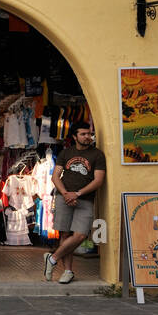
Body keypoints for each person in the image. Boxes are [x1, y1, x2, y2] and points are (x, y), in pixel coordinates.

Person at [44, 122, 106, 285]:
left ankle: (52, 258)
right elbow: (55, 176)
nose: (88, 137)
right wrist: (65, 194)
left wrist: (77, 194)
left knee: (80, 235)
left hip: (84, 199)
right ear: (74, 136)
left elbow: (98, 180)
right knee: (64, 234)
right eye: (83, 134)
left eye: (89, 134)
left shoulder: (97, 155)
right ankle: (68, 271)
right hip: (64, 198)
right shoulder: (66, 153)